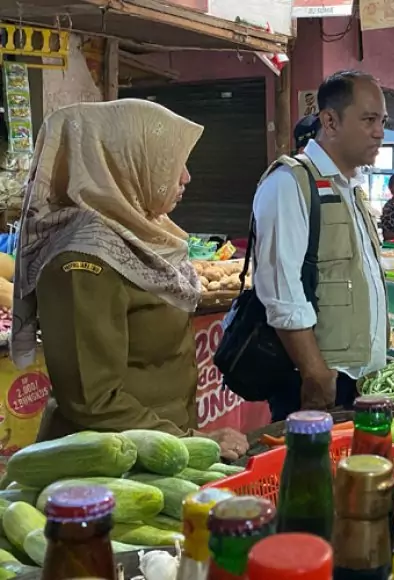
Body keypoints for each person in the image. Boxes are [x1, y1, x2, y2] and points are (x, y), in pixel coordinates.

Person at [11, 100, 249, 460]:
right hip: (106, 468)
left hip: (156, 454)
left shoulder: (144, 232)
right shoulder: (83, 260)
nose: (185, 176)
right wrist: (189, 440)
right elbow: (93, 400)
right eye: (171, 161)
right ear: (123, 164)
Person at [252, 70, 388, 421]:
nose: (379, 132)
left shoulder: (352, 188)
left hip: (359, 380)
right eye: (369, 120)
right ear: (330, 120)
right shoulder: (290, 183)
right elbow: (281, 291)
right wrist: (315, 373)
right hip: (318, 380)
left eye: (382, 121)